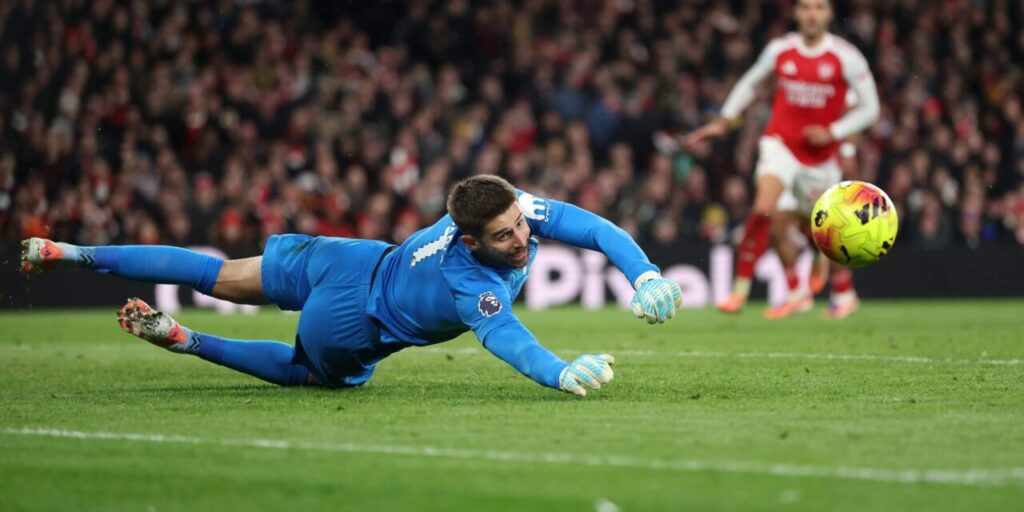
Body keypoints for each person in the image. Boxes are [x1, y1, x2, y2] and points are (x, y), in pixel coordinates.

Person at [20, 175, 682, 396]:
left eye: (522, 225)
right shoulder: (466, 277)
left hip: (346, 259)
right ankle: (186, 337)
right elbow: (506, 335)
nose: (523, 240)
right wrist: (560, 371)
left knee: (220, 274)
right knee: (309, 374)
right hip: (353, 317)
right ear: (473, 241)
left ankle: (74, 252)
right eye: (506, 237)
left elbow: (591, 227)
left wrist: (644, 269)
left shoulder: (505, 207)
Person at [684, 0, 879, 319]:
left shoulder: (846, 57)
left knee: (816, 233)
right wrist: (725, 119)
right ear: (796, 13)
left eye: (819, 7)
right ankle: (746, 290)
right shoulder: (780, 50)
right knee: (766, 209)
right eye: (805, 7)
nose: (811, 14)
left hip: (820, 161)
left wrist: (834, 132)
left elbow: (871, 109)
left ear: (829, 14)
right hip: (780, 145)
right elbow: (750, 82)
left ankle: (843, 292)